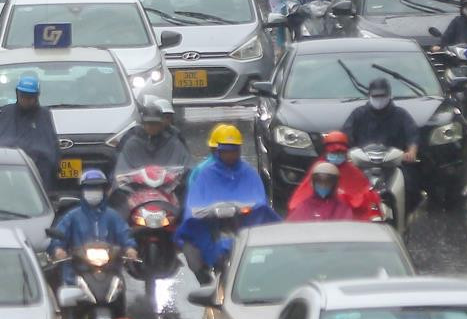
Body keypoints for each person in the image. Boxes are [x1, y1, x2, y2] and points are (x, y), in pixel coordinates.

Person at [177, 124, 275, 283]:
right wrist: (202, 211)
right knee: (191, 238)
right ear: (218, 151)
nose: (230, 155)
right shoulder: (205, 173)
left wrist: (250, 207)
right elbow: (194, 200)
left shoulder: (248, 172)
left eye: (233, 150)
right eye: (226, 151)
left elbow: (258, 198)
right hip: (211, 222)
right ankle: (203, 277)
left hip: (243, 222)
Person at [344, 78, 420, 214]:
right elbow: (346, 135)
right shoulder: (358, 114)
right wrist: (346, 153)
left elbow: (412, 134)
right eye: (375, 96)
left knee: (410, 187)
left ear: (389, 95)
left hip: (394, 164)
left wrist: (411, 152)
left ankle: (405, 218)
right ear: (369, 96)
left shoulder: (400, 115)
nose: (379, 99)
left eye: (382, 96)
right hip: (363, 165)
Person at [48, 168, 134, 281]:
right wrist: (58, 249)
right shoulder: (72, 216)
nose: (93, 191)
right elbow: (59, 235)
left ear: (104, 191)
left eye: (97, 188)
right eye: (89, 188)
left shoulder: (113, 216)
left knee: (118, 289)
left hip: (110, 269)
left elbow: (124, 232)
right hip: (77, 272)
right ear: (83, 191)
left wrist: (130, 248)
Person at [0, 72, 60, 186]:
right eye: (23, 96)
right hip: (9, 174)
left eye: (30, 97)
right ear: (17, 94)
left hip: (38, 177)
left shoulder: (44, 115)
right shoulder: (7, 113)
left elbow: (50, 149)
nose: (26, 100)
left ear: (36, 97)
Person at [284, 131, 380, 220]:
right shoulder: (318, 168)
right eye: (320, 181)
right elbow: (301, 197)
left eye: (340, 152)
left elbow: (365, 198)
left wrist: (345, 198)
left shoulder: (353, 173)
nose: (324, 185)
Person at [115, 97, 191, 173]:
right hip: (137, 182)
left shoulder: (173, 141)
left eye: (155, 124)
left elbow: (185, 163)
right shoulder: (132, 141)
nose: (152, 127)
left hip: (169, 182)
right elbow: (121, 165)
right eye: (149, 123)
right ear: (143, 124)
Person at [282, 160, 367, 221]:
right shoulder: (303, 207)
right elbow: (291, 231)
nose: (323, 186)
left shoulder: (342, 208)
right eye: (319, 182)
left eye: (328, 183)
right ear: (312, 183)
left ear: (335, 185)